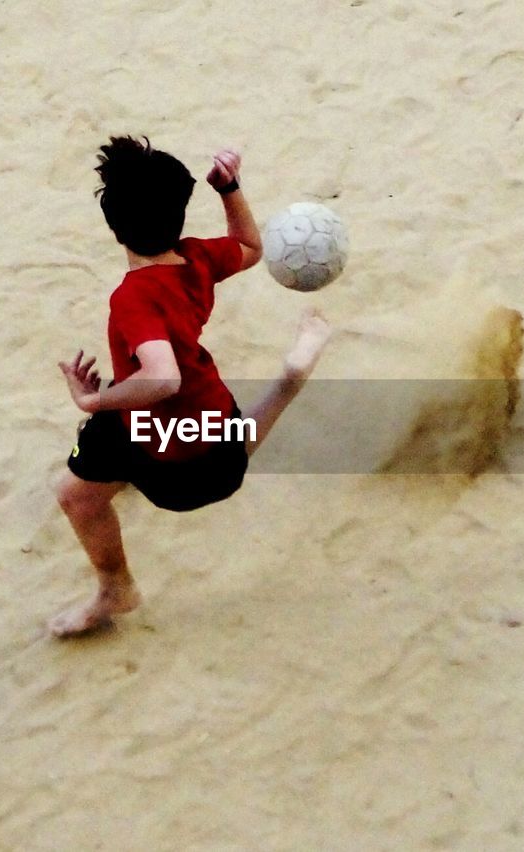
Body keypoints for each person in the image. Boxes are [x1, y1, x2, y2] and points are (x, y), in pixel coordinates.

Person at [50, 136, 331, 637]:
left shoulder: (133, 297)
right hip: (213, 436)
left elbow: (160, 378)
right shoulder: (197, 258)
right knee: (229, 439)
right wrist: (230, 189)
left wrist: (95, 399)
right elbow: (249, 247)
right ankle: (289, 380)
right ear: (181, 214)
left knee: (77, 496)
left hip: (168, 463)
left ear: (115, 230)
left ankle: (116, 588)